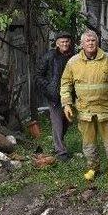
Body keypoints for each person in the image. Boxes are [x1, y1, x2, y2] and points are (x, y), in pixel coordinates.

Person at [60, 30, 108, 181]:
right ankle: (92, 167)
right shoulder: (73, 62)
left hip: (105, 109)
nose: (90, 43)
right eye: (87, 41)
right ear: (81, 44)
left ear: (97, 43)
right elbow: (65, 84)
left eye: (93, 41)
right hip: (85, 111)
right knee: (88, 142)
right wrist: (66, 104)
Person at [35, 31, 74, 161]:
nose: (65, 44)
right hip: (55, 96)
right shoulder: (50, 56)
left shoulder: (73, 57)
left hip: (69, 95)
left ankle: (58, 144)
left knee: (66, 121)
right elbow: (38, 75)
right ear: (57, 43)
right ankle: (61, 152)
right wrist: (49, 87)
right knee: (57, 123)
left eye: (67, 41)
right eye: (62, 42)